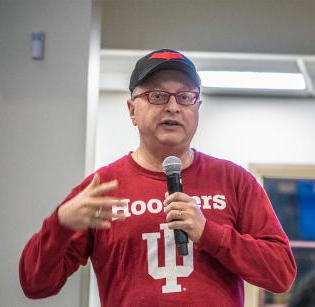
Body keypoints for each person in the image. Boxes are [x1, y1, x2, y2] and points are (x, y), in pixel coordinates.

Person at [19, 49, 296, 306]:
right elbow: (35, 284)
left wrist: (209, 234)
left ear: (197, 107)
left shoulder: (235, 181)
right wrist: (60, 224)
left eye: (185, 96)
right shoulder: (100, 188)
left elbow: (281, 274)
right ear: (132, 111)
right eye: (157, 96)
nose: (173, 107)